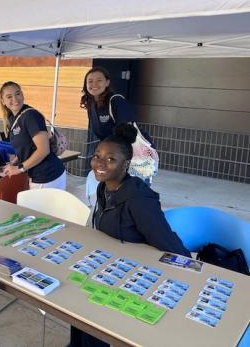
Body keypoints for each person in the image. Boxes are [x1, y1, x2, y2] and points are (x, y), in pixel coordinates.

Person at [70, 123, 189, 347]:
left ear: (126, 164)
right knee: (77, 303)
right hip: (105, 263)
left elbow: (166, 241)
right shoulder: (103, 186)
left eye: (110, 159)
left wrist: (191, 272)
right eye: (97, 156)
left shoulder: (138, 199)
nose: (99, 164)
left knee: (95, 317)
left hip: (131, 273)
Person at [0, 81, 66, 189]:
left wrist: (19, 168)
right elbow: (27, 146)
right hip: (35, 175)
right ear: (3, 101)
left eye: (18, 93)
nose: (15, 99)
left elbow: (43, 150)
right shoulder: (12, 118)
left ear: (22, 94)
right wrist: (15, 162)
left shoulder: (31, 116)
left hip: (48, 176)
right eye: (9, 96)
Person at [80, 66, 137, 141]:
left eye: (99, 80)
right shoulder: (91, 105)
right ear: (86, 85)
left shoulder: (116, 101)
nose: (94, 84)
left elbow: (128, 133)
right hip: (110, 148)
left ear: (107, 83)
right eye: (90, 81)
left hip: (126, 149)